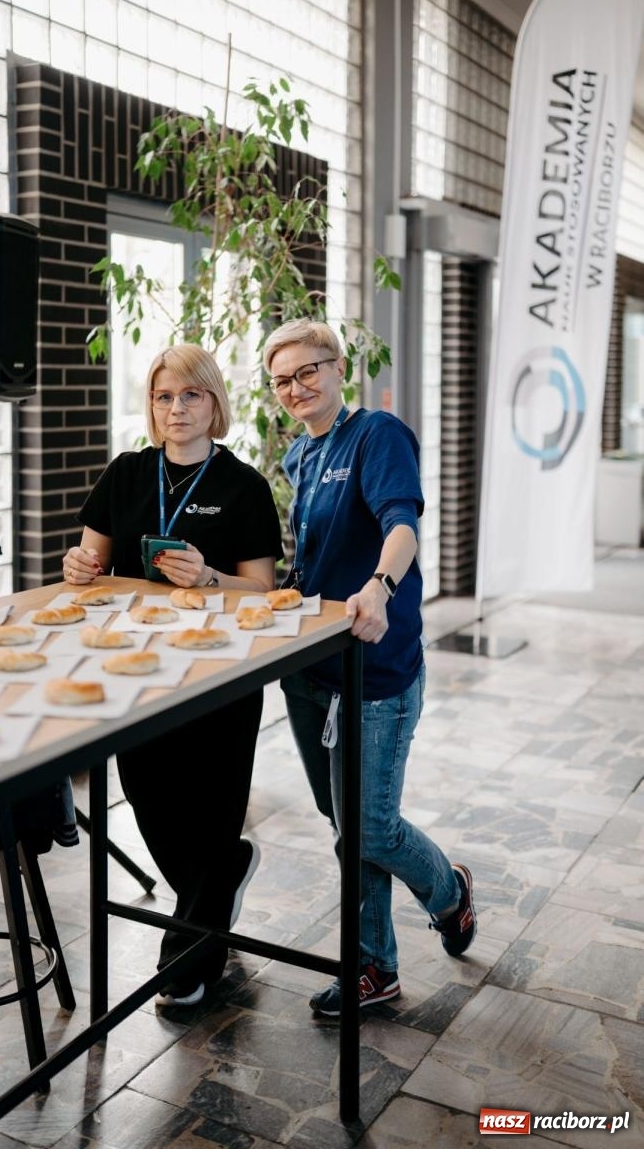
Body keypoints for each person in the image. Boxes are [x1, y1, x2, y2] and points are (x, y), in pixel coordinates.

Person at [263, 317, 476, 1017]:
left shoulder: (377, 435)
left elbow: (401, 520)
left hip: (375, 666)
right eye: (281, 380)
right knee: (344, 821)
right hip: (311, 668)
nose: (295, 387)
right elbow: (311, 561)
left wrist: (379, 588)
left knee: (371, 828)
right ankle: (374, 967)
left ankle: (447, 892)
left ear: (335, 368)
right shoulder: (298, 455)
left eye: (306, 371)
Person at [63, 344, 283, 1005]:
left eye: (191, 396)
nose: (176, 409)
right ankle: (222, 878)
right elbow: (89, 560)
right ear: (151, 407)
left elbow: (262, 589)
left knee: (210, 806)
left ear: (215, 405)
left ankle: (185, 954)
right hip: (138, 668)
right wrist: (79, 569)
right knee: (150, 796)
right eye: (164, 397)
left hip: (221, 674)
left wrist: (210, 577)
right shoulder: (127, 474)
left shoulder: (242, 486)